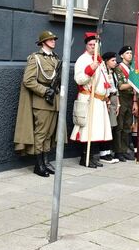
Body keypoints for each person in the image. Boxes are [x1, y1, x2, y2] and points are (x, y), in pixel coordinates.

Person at [14, 30, 60, 177]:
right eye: (50, 39)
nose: (53, 41)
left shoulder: (55, 59)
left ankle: (46, 162)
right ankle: (38, 165)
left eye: (54, 39)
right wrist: (45, 91)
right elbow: (28, 80)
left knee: (49, 134)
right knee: (40, 134)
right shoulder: (36, 58)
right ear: (43, 42)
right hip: (42, 102)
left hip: (54, 102)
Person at [70, 32, 112, 167]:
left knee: (97, 130)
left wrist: (107, 94)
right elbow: (79, 79)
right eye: (90, 45)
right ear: (86, 45)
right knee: (87, 130)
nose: (93, 47)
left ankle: (93, 157)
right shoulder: (83, 59)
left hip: (99, 99)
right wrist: (90, 69)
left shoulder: (99, 60)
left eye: (95, 45)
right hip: (89, 98)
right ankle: (85, 158)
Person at [114, 46, 138, 161]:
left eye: (131, 53)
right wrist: (133, 83)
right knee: (120, 126)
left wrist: (134, 101)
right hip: (122, 97)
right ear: (122, 55)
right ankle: (118, 151)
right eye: (127, 53)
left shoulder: (132, 68)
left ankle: (125, 149)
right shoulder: (119, 68)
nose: (130, 55)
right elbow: (120, 86)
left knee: (127, 125)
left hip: (130, 98)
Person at [100, 52, 121, 164]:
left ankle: (108, 151)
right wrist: (108, 102)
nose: (115, 62)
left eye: (115, 60)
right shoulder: (103, 72)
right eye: (112, 60)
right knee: (106, 127)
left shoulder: (113, 73)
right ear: (106, 61)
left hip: (113, 98)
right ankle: (103, 152)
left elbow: (116, 89)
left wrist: (117, 104)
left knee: (112, 126)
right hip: (107, 99)